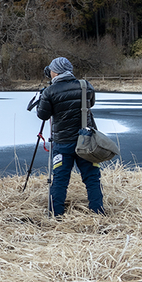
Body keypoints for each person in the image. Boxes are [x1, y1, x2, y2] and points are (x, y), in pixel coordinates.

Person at [35, 56, 106, 217]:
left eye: (52, 70)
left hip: (62, 143)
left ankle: (55, 214)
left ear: (55, 72)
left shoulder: (50, 91)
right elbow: (91, 103)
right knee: (92, 178)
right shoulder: (85, 86)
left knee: (60, 180)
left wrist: (43, 99)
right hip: (86, 140)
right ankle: (98, 213)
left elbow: (43, 115)